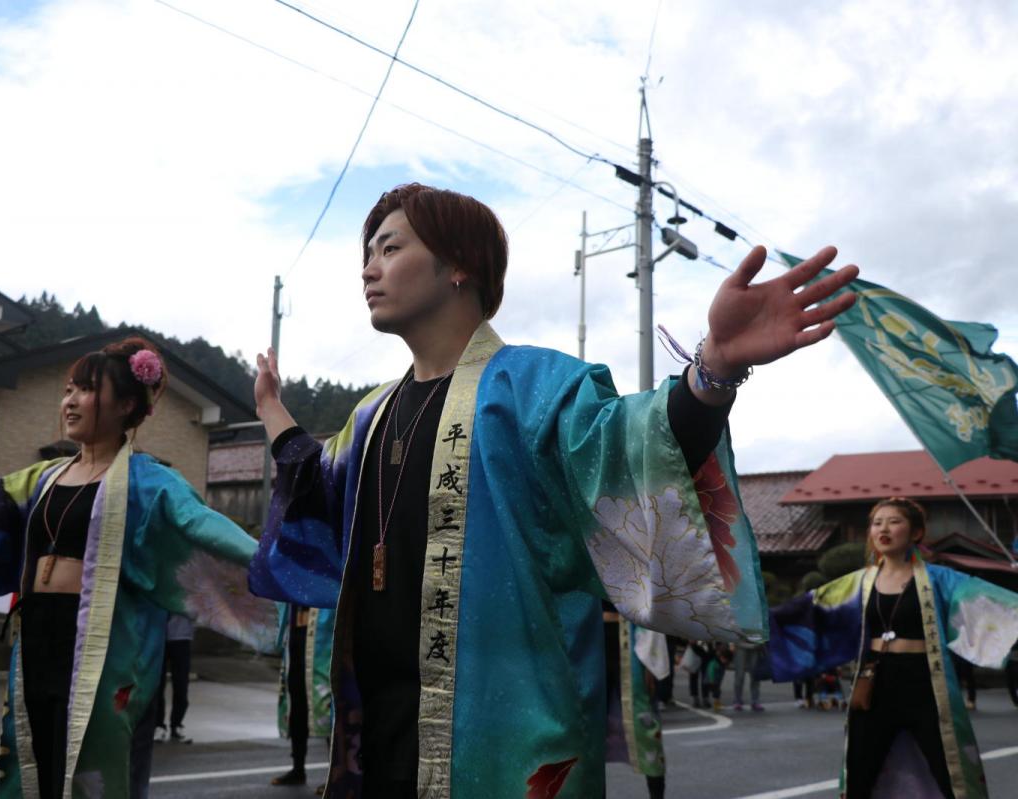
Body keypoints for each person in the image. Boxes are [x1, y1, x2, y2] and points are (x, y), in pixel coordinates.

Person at [248, 183, 860, 797]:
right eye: (368, 252)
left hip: (503, 737)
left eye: (390, 247)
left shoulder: (533, 388)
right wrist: (274, 412)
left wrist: (714, 370)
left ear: (459, 264)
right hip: (377, 736)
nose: (368, 268)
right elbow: (316, 491)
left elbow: (630, 450)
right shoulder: (368, 418)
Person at [0, 337, 276, 799]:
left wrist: (280, 565)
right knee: (31, 755)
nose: (70, 401)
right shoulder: (45, 476)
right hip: (37, 637)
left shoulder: (151, 483)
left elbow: (208, 530)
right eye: (67, 390)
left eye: (86, 390)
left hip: (102, 648)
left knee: (92, 762)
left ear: (126, 406)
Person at [769, 497, 1018, 799]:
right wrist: (756, 621)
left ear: (915, 533)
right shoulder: (857, 583)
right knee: (860, 769)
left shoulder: (941, 579)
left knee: (949, 770)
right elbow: (809, 609)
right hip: (875, 681)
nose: (883, 529)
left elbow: (992, 603)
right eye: (877, 523)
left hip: (926, 683)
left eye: (894, 521)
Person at [603, 606, 667, 799]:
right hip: (592, 639)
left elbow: (650, 600)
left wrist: (651, 663)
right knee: (590, 732)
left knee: (646, 725)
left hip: (633, 640)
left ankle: (657, 795)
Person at [271, 604, 334, 788]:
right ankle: (298, 769)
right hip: (296, 635)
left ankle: (335, 774)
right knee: (296, 704)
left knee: (326, 706)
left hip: (322, 641)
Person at [154, 612, 195, 744]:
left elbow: (196, 611)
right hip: (159, 635)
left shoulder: (189, 591)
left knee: (181, 684)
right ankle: (158, 725)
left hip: (182, 638)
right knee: (157, 684)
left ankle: (177, 724)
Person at [731, 642, 766, 712]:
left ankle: (755, 701)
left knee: (755, 676)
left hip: (755, 645)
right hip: (740, 645)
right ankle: (738, 701)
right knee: (739, 676)